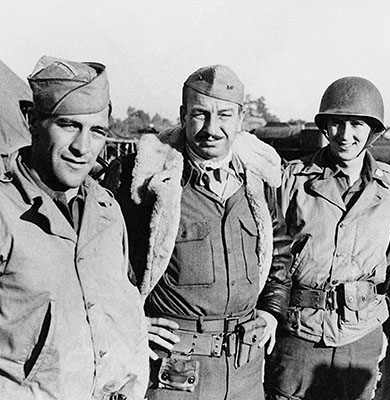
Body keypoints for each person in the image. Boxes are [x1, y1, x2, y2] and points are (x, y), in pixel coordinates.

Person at [106, 65, 292, 400]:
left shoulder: (258, 179)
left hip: (244, 374)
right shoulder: (146, 182)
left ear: (241, 118)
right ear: (182, 115)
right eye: (199, 114)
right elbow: (107, 266)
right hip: (173, 374)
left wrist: (271, 310)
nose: (212, 128)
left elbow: (278, 252)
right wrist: (131, 322)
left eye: (224, 115)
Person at [0, 56, 149, 399]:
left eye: (97, 131)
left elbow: (120, 303)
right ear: (32, 120)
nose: (83, 148)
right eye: (69, 125)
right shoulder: (5, 210)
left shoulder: (107, 209)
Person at [264, 76, 390, 400]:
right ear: (324, 127)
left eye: (356, 124)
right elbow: (273, 254)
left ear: (373, 130)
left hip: (360, 335)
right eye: (336, 123)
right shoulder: (293, 180)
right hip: (299, 334)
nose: (345, 135)